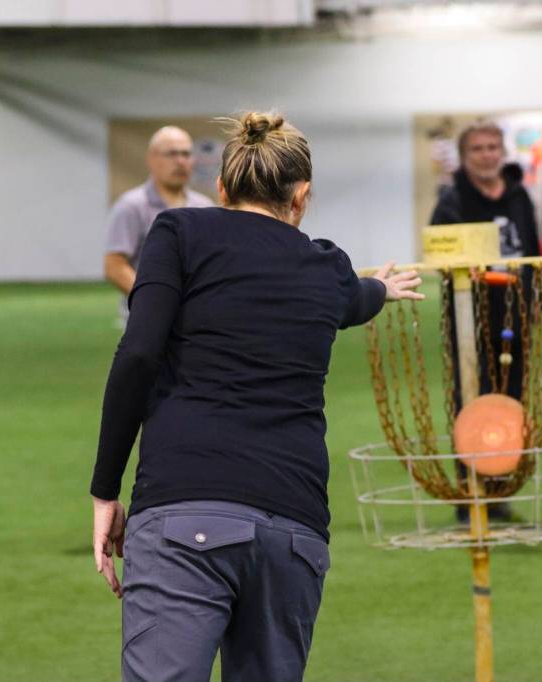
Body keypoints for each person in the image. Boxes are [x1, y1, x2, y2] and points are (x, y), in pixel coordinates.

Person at [89, 111, 424, 682]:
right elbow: (353, 299)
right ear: (302, 195)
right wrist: (381, 290)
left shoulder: (179, 233)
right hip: (292, 532)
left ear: (221, 188)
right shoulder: (328, 267)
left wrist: (105, 492)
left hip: (182, 515)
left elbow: (140, 353)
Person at [430, 120, 541, 524]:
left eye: (494, 147)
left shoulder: (519, 197)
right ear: (464, 156)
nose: (487, 155)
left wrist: (535, 302)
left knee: (509, 407)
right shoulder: (452, 200)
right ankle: (469, 494)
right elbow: (439, 257)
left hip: (517, 319)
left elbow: (531, 250)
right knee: (472, 404)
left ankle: (499, 491)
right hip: (470, 324)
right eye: (478, 148)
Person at [104, 126, 215, 319]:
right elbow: (114, 266)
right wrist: (156, 301)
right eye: (171, 154)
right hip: (147, 319)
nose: (180, 161)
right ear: (151, 159)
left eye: (186, 154)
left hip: (196, 318)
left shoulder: (204, 206)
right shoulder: (131, 206)